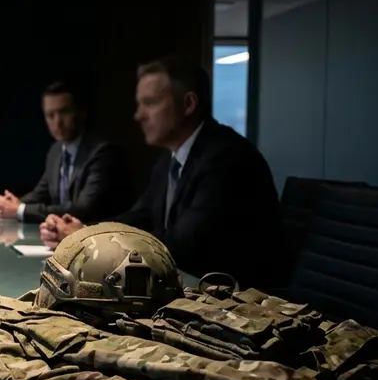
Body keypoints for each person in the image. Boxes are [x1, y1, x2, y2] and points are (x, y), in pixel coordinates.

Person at [41, 56, 286, 290]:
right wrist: (86, 229)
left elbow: (181, 247)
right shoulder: (169, 157)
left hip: (235, 307)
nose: (138, 115)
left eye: (150, 103)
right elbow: (140, 216)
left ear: (189, 104)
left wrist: (87, 238)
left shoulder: (227, 159)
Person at [0, 80, 132, 224]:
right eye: (50, 115)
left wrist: (20, 210)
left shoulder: (103, 153)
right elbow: (40, 194)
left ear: (81, 112)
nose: (57, 122)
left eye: (64, 112)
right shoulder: (56, 150)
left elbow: (82, 210)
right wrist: (7, 203)